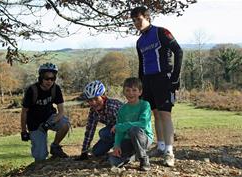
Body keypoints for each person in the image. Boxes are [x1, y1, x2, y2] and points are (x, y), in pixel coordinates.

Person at [131, 6, 183, 167]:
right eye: (134, 21)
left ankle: (169, 152)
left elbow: (179, 51)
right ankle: (160, 147)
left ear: (147, 17)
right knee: (156, 114)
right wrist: (140, 86)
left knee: (165, 114)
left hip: (164, 79)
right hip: (147, 81)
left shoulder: (161, 32)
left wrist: (175, 78)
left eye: (139, 19)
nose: (137, 23)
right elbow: (142, 64)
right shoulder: (139, 41)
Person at [20, 62, 70, 162]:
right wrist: (24, 131)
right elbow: (24, 112)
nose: (49, 81)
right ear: (41, 77)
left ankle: (55, 147)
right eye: (47, 78)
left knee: (65, 123)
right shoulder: (32, 90)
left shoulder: (56, 89)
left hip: (49, 118)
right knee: (40, 158)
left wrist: (49, 123)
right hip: (35, 124)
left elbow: (61, 112)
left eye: (52, 79)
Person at [108, 77, 153, 171]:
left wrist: (122, 126)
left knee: (134, 130)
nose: (131, 93)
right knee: (113, 161)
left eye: (134, 90)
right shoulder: (122, 110)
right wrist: (117, 145)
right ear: (124, 92)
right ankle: (132, 156)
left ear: (140, 92)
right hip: (128, 140)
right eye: (127, 90)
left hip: (144, 139)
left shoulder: (145, 105)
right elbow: (119, 131)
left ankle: (143, 159)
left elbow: (143, 124)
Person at [78, 80, 123, 160]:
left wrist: (117, 144)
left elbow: (123, 125)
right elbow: (90, 130)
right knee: (96, 152)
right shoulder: (93, 111)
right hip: (113, 132)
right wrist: (84, 151)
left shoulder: (112, 106)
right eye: (90, 100)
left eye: (96, 99)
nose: (94, 103)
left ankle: (125, 148)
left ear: (103, 96)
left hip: (125, 130)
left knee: (103, 132)